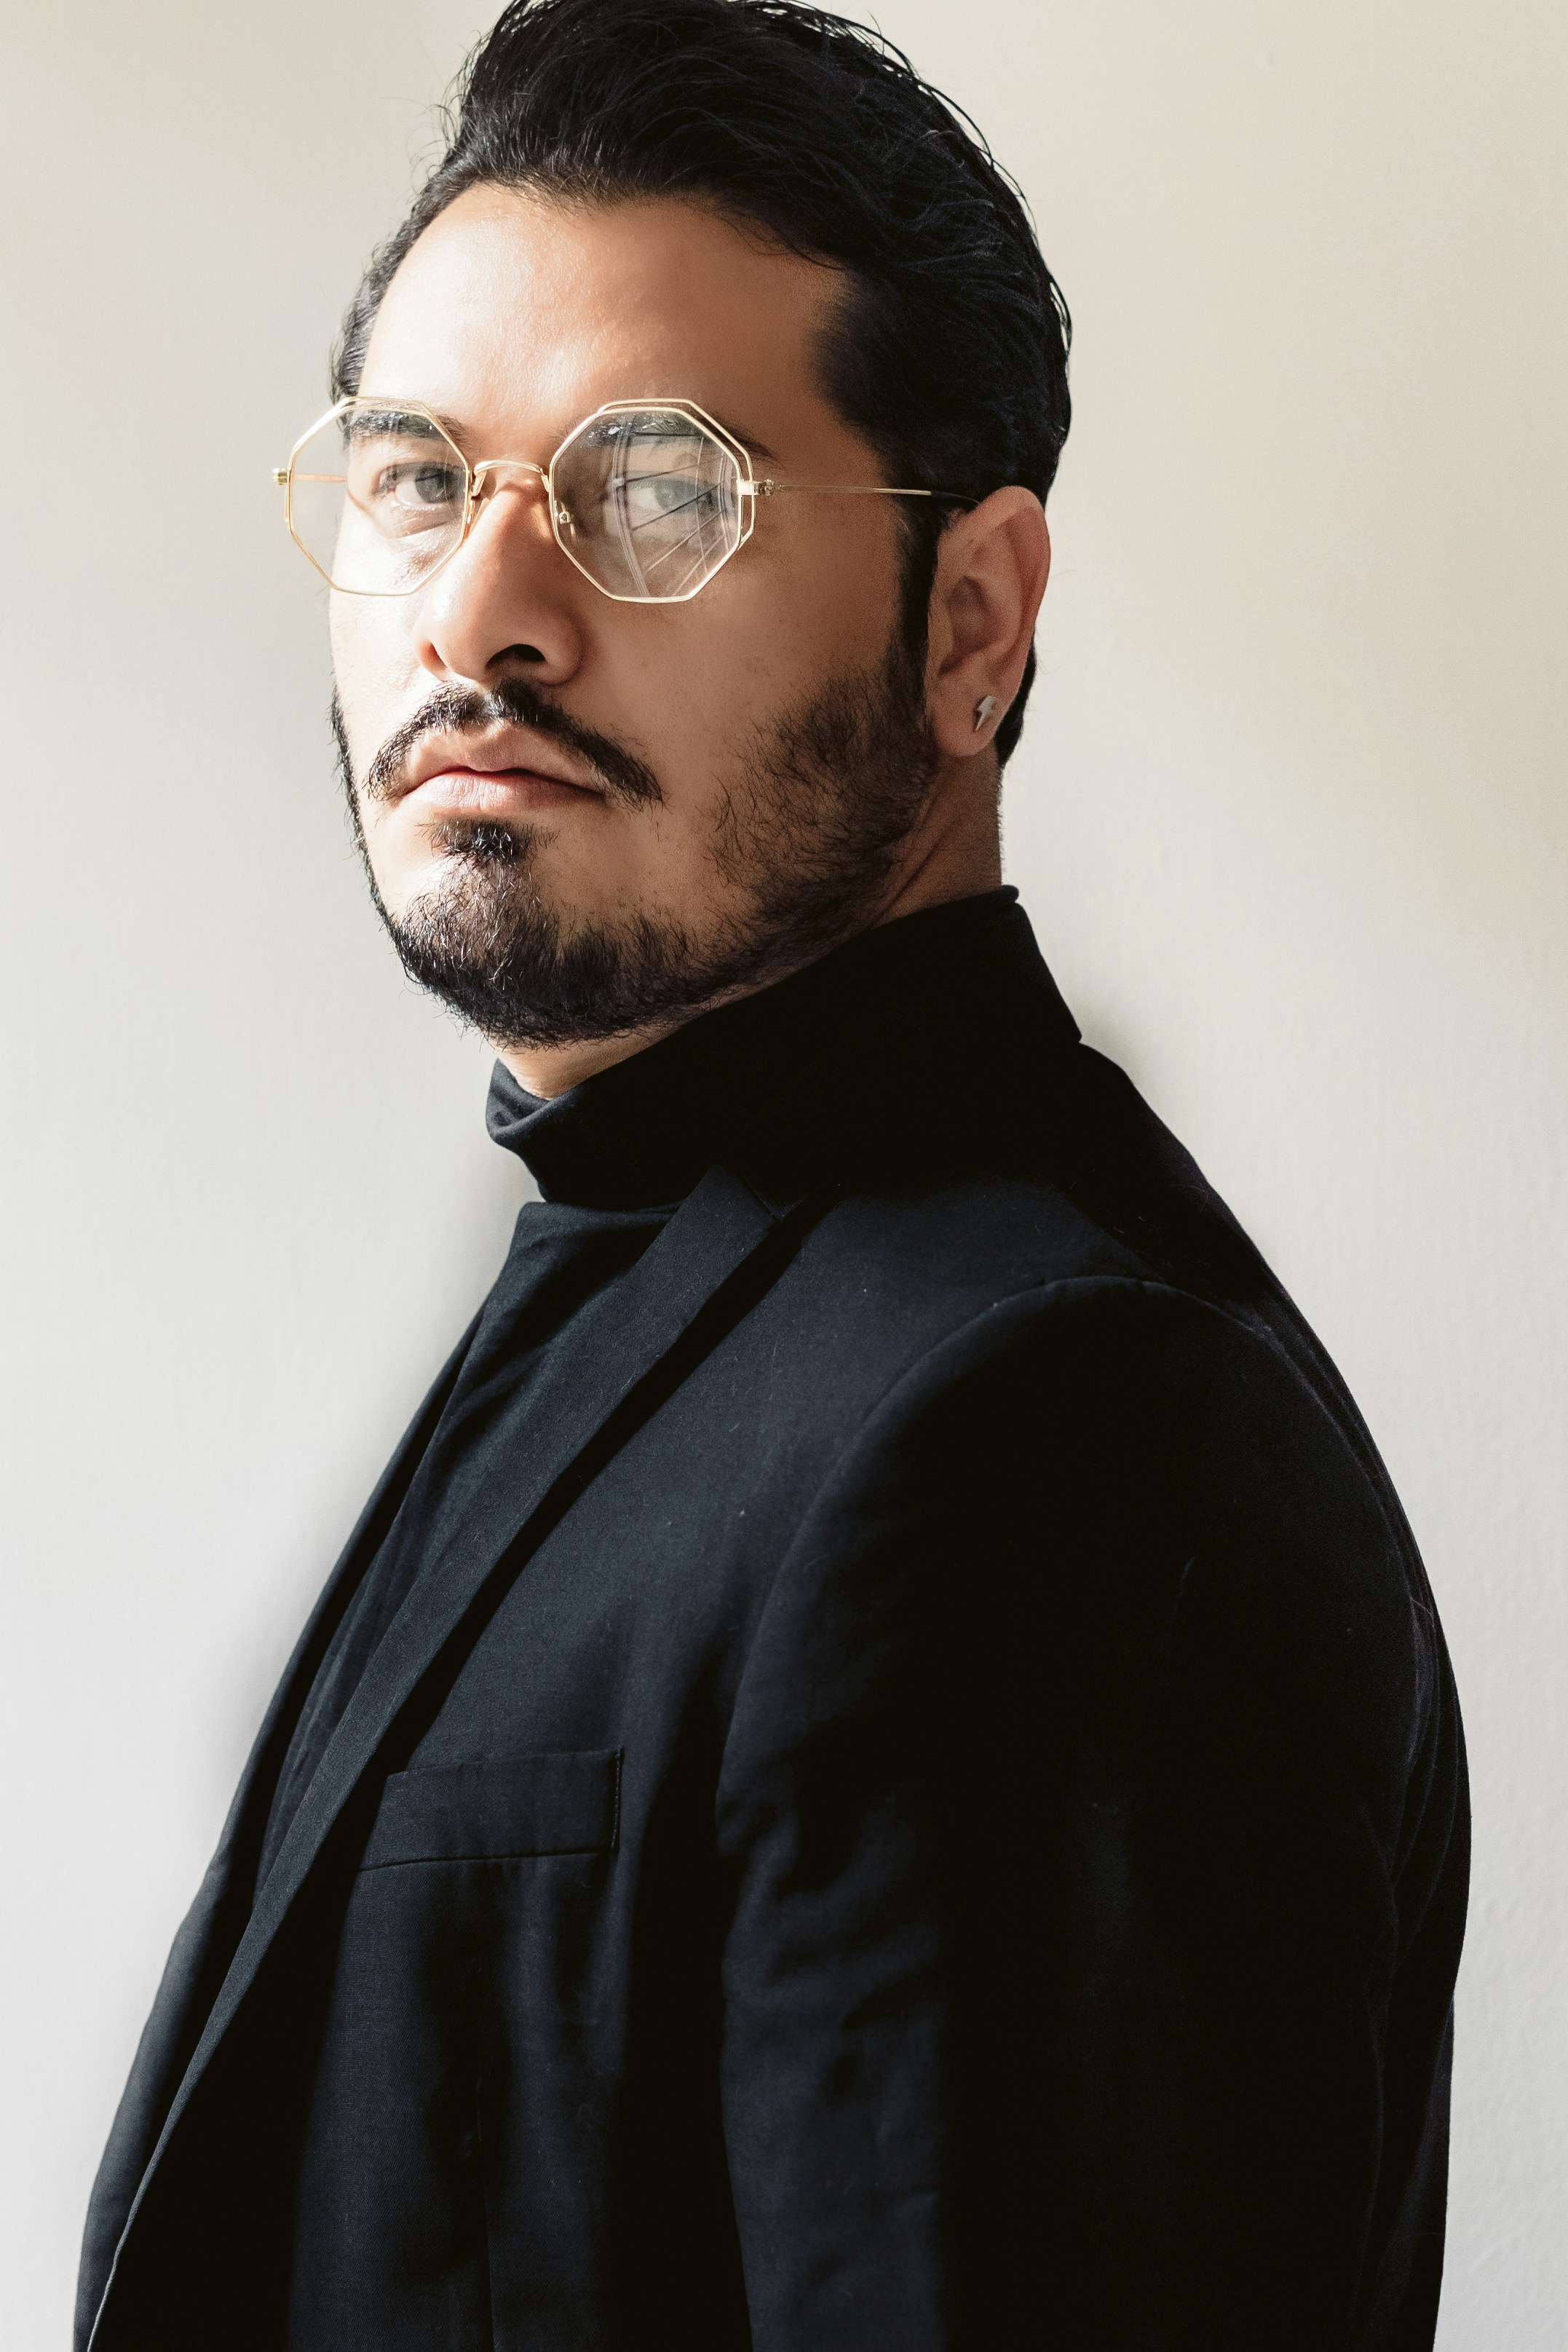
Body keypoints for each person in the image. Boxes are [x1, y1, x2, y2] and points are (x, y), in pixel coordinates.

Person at [76, 2, 1468, 2346]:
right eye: (417, 474)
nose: (483, 613)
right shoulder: (673, 1276)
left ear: (970, 622)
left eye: (655, 490)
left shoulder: (1056, 1427)